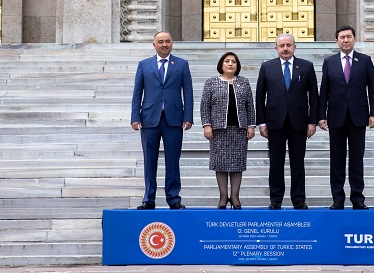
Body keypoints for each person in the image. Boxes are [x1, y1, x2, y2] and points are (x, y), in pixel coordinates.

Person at [318, 25, 374, 210]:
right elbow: (324, 91)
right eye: (342, 37)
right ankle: (338, 198)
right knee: (336, 159)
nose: (345, 40)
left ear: (354, 39)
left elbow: (373, 89)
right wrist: (321, 115)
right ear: (336, 41)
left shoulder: (365, 60)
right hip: (336, 117)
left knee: (356, 159)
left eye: (349, 37)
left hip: (358, 117)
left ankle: (357, 198)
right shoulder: (329, 62)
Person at [255, 32, 319, 210]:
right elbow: (260, 96)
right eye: (281, 46)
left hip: (299, 122)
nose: (285, 48)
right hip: (275, 122)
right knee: (276, 163)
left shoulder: (306, 66)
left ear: (295, 47)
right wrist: (262, 122)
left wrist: (312, 121)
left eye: (288, 45)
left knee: (298, 163)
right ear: (276, 48)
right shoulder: (267, 67)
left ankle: (299, 200)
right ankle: (276, 199)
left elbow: (314, 96)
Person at [130, 31, 193, 209]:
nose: (164, 44)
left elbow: (188, 92)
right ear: (154, 45)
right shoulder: (144, 65)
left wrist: (188, 116)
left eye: (167, 41)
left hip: (174, 119)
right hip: (149, 119)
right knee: (149, 160)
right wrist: (135, 116)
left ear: (172, 43)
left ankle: (173, 198)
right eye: (160, 42)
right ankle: (149, 199)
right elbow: (137, 93)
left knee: (173, 161)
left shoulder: (181, 64)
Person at [200, 51, 256, 209]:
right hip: (218, 130)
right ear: (221, 64)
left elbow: (250, 106)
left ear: (237, 65)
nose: (230, 64)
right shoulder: (211, 82)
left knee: (237, 164)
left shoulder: (243, 82)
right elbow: (205, 106)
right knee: (220, 164)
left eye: (233, 61)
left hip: (239, 130)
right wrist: (207, 125)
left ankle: (235, 196)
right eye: (227, 61)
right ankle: (223, 197)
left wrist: (251, 125)